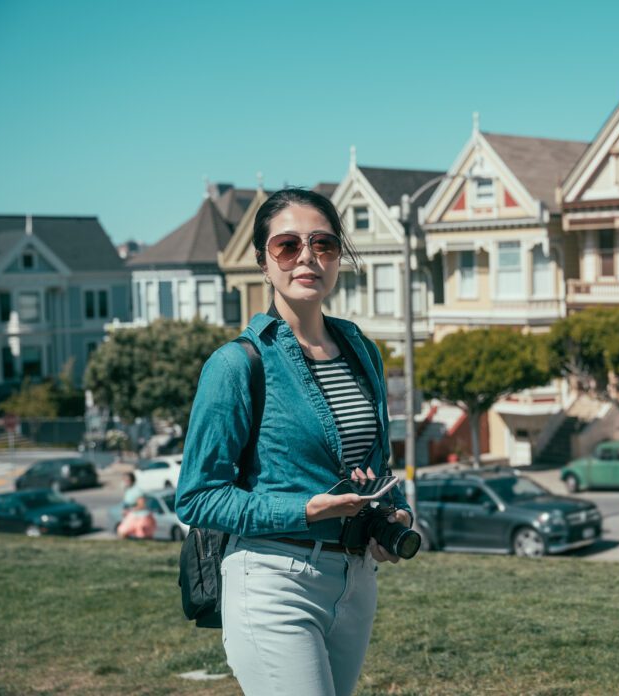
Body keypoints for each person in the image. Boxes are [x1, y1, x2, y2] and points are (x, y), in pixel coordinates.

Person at [176, 188, 412, 696]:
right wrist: (305, 510)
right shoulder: (236, 364)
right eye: (288, 245)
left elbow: (377, 464)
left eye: (323, 244)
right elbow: (196, 497)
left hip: (355, 580)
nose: (308, 257)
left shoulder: (361, 350)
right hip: (274, 581)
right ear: (263, 261)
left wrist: (394, 514)